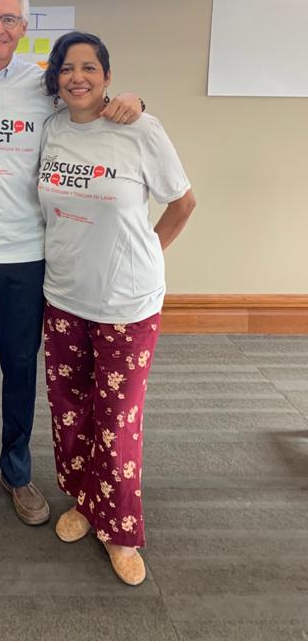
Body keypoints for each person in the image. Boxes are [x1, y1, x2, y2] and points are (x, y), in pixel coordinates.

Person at [0, 0, 144, 528]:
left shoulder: (44, 85)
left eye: (8, 20)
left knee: (20, 369)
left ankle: (16, 471)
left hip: (27, 255)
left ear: (24, 29)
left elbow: (91, 98)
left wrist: (136, 100)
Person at [38, 31, 195, 585]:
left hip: (127, 303)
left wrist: (147, 251)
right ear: (55, 79)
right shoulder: (52, 130)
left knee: (118, 420)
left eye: (88, 67)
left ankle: (121, 529)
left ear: (106, 76)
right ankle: (85, 501)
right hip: (63, 297)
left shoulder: (139, 129)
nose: (77, 77)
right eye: (66, 69)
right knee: (71, 411)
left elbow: (183, 203)